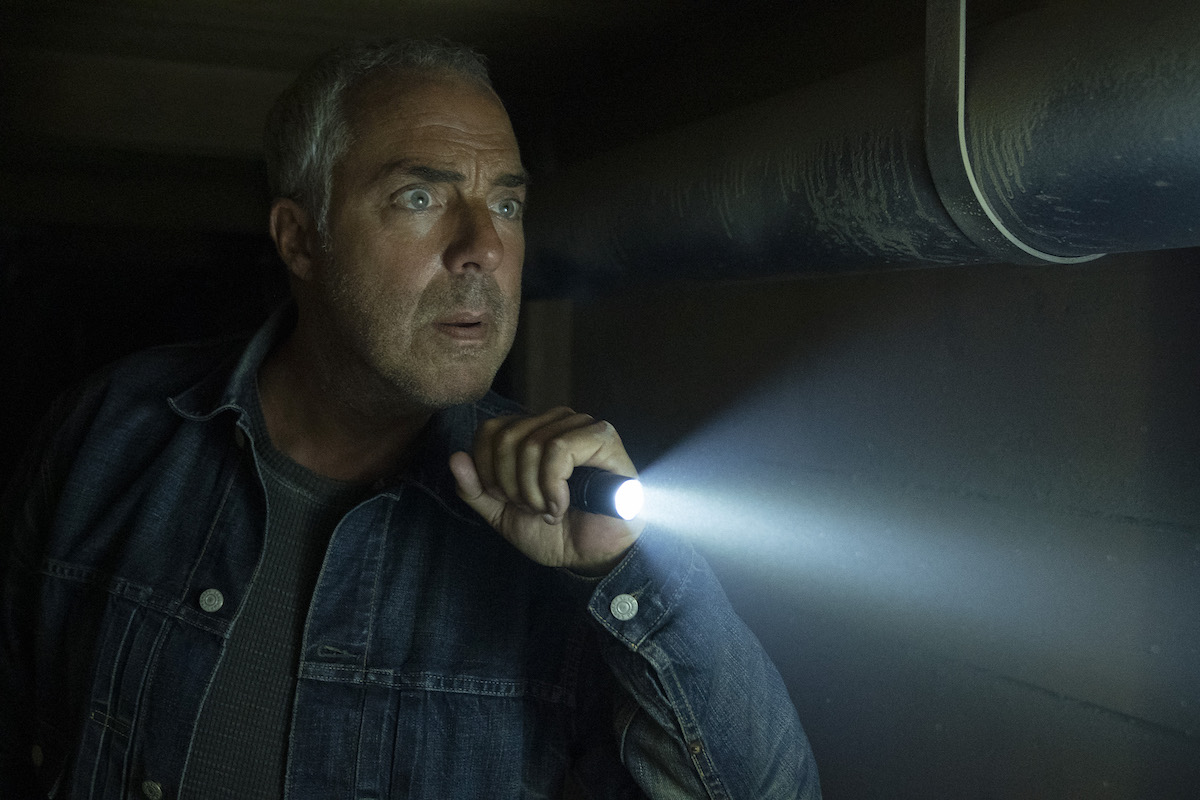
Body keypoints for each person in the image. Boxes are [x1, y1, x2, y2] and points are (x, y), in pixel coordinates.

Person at [0, 39, 821, 799]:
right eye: (420, 196)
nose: (483, 248)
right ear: (301, 239)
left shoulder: (565, 521)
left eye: (506, 204)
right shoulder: (112, 429)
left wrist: (624, 571)